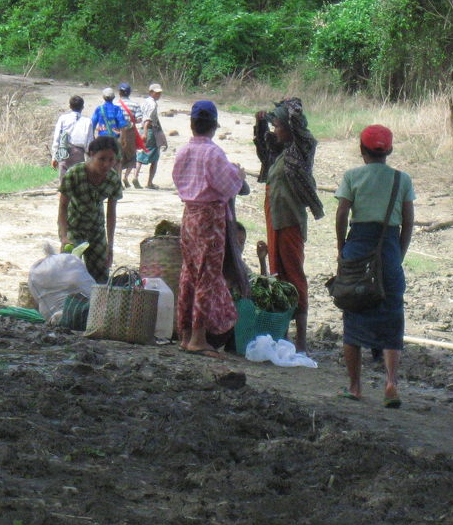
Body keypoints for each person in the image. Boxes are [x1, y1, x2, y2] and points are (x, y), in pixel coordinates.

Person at [335, 124, 415, 407]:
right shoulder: (401, 180)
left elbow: (342, 212)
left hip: (357, 249)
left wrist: (341, 248)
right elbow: (408, 221)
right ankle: (391, 383)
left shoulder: (352, 177)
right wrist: (399, 253)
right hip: (389, 249)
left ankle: (355, 386)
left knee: (353, 313)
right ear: (389, 151)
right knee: (392, 316)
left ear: (361, 150)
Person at [172, 100, 246, 358]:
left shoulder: (183, 152)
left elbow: (178, 180)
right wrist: (240, 174)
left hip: (189, 216)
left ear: (192, 124)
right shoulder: (213, 154)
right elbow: (229, 185)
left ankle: (184, 333)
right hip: (209, 218)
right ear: (214, 126)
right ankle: (198, 337)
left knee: (188, 272)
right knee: (206, 275)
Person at [254, 97, 323, 353]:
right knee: (277, 275)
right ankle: (282, 332)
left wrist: (291, 111)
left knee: (294, 276)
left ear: (290, 127)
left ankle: (301, 339)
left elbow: (303, 133)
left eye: (278, 126)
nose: (275, 131)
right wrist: (260, 126)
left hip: (291, 221)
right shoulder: (279, 153)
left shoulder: (299, 151)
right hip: (275, 220)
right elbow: (263, 148)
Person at [57, 136, 123, 283]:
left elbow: (111, 213)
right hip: (74, 228)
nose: (106, 164)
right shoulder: (75, 174)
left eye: (111, 160)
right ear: (91, 154)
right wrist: (64, 236)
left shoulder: (113, 180)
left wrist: (110, 245)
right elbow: (62, 207)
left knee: (100, 277)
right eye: (102, 159)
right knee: (69, 273)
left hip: (97, 230)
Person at [51, 95, 94, 178]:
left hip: (64, 152)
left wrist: (54, 156)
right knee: (77, 181)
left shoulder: (63, 119)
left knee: (63, 181)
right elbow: (90, 142)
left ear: (70, 106)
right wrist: (89, 160)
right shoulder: (87, 121)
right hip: (79, 153)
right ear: (82, 107)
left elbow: (57, 138)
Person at [133, 83, 166, 189]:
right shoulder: (153, 104)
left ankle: (135, 176)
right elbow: (148, 120)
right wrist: (146, 133)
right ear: (151, 92)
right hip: (150, 130)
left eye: (159, 93)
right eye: (157, 93)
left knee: (141, 153)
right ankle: (149, 183)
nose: (158, 95)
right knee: (155, 157)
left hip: (142, 129)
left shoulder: (144, 102)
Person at [116, 82, 143, 187]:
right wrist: (132, 120)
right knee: (132, 155)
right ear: (129, 93)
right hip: (130, 133)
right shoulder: (135, 105)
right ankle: (125, 177)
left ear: (119, 93)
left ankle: (118, 179)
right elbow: (139, 119)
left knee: (119, 156)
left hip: (118, 133)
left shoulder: (116, 105)